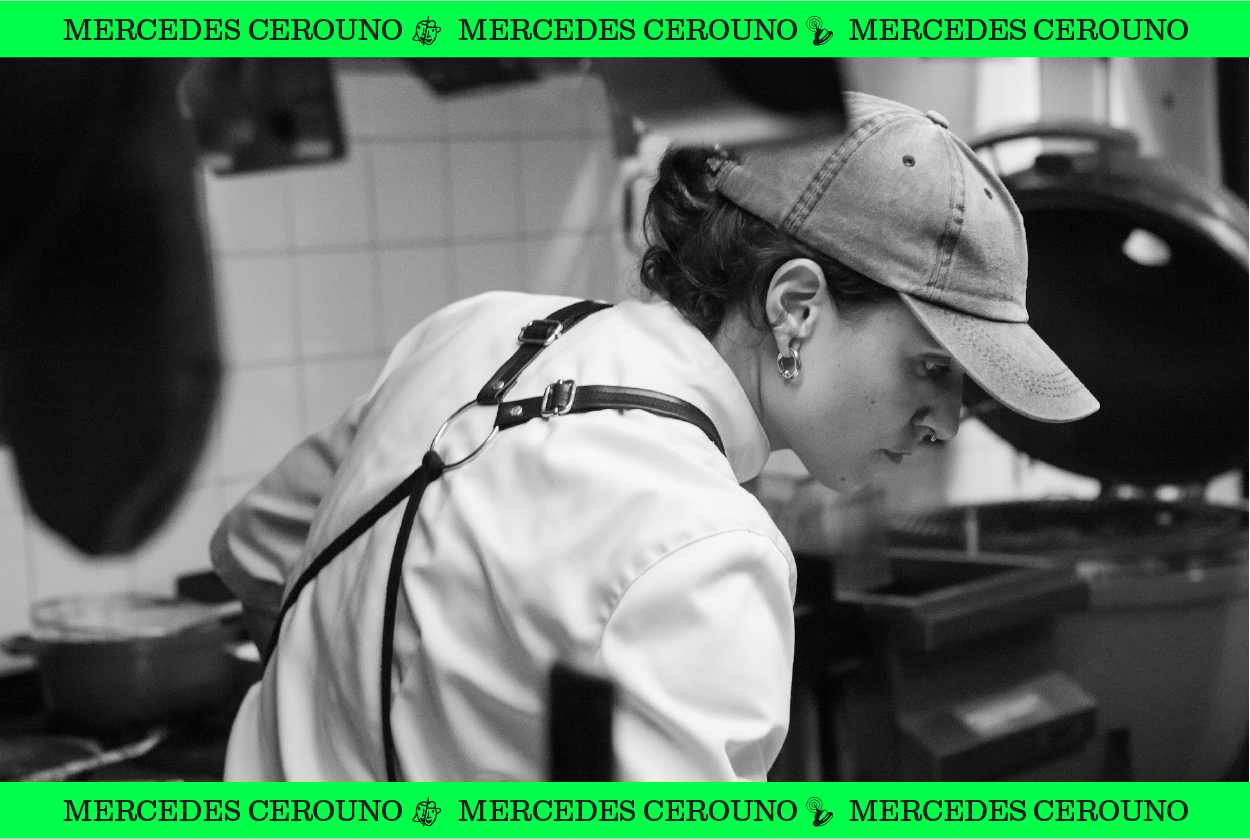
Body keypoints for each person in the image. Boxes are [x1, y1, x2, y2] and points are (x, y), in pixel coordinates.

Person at [211, 92, 1098, 781]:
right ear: (795, 308)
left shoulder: (474, 332)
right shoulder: (710, 547)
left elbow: (253, 550)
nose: (946, 423)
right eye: (933, 368)